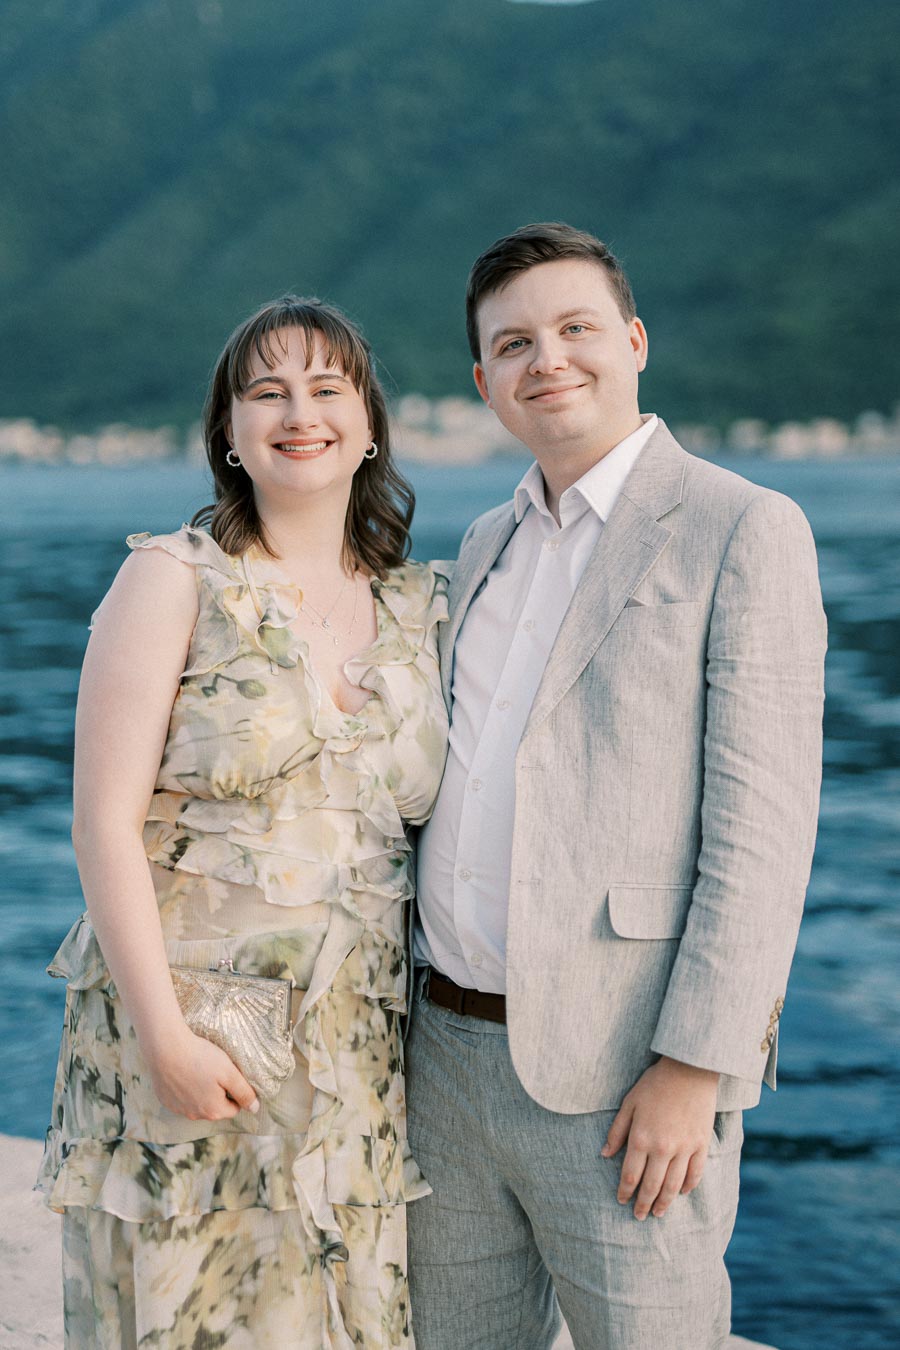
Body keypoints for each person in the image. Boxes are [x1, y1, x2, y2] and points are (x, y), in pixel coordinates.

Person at [406, 222, 827, 1349]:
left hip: (624, 1072)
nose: (550, 358)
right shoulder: (487, 538)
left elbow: (766, 828)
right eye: (515, 342)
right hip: (440, 1060)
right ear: (485, 382)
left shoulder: (743, 528)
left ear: (634, 341)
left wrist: (697, 1066)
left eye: (577, 327)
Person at [37, 296, 449, 1348]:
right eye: (266, 392)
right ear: (228, 432)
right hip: (192, 1038)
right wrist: (164, 1035)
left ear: (367, 428)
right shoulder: (173, 577)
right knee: (196, 1321)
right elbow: (102, 824)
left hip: (356, 1050)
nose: (297, 412)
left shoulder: (416, 605)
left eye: (326, 389)